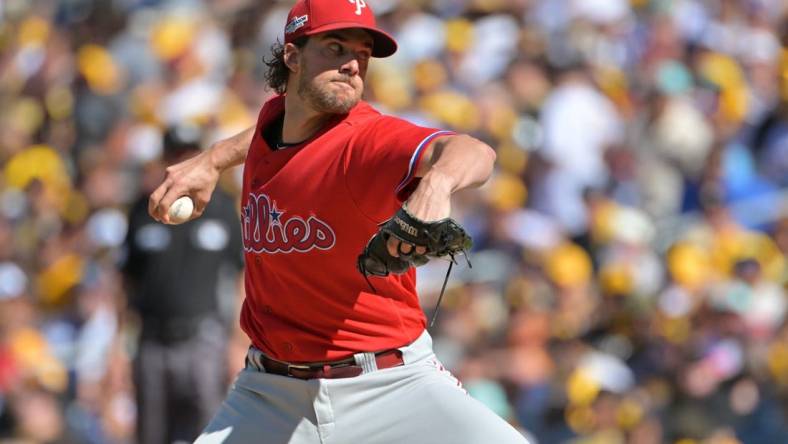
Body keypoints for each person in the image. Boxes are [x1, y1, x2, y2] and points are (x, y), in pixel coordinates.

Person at [148, 1, 530, 442]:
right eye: (334, 47)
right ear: (292, 55)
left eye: (362, 55)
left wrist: (436, 185)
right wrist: (211, 160)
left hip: (391, 385)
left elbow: (474, 153)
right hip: (269, 394)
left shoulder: (366, 140)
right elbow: (266, 132)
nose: (351, 65)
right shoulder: (275, 119)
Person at [122, 123, 243, 444]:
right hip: (152, 339)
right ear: (165, 159)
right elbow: (126, 281)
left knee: (211, 431)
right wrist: (118, 348)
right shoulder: (141, 210)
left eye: (190, 154)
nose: (184, 161)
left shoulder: (222, 209)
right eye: (176, 155)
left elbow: (242, 275)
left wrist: (238, 342)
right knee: (150, 432)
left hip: (204, 338)